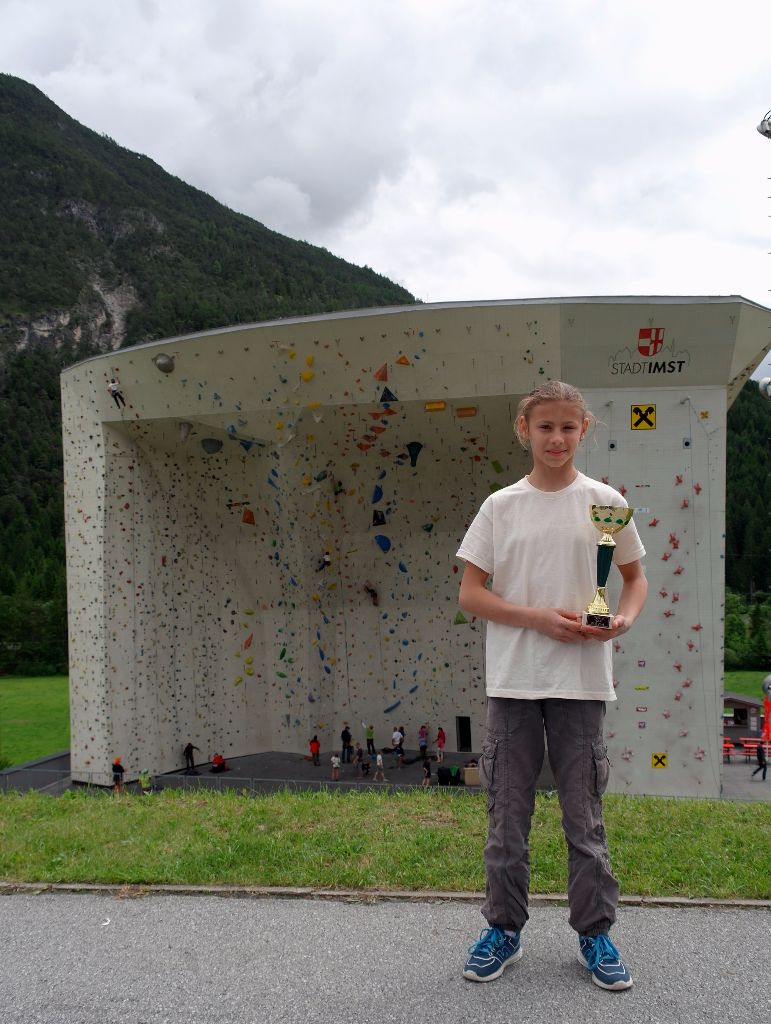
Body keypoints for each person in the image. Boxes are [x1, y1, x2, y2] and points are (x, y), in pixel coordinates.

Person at [456, 381, 647, 992]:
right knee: (507, 819)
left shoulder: (606, 501)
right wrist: (539, 618)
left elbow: (634, 580)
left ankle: (595, 934)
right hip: (513, 682)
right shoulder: (499, 506)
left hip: (583, 684)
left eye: (568, 428)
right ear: (524, 430)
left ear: (583, 430)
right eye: (545, 428)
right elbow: (471, 594)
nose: (557, 438)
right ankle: (503, 930)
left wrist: (622, 619)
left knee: (583, 819)